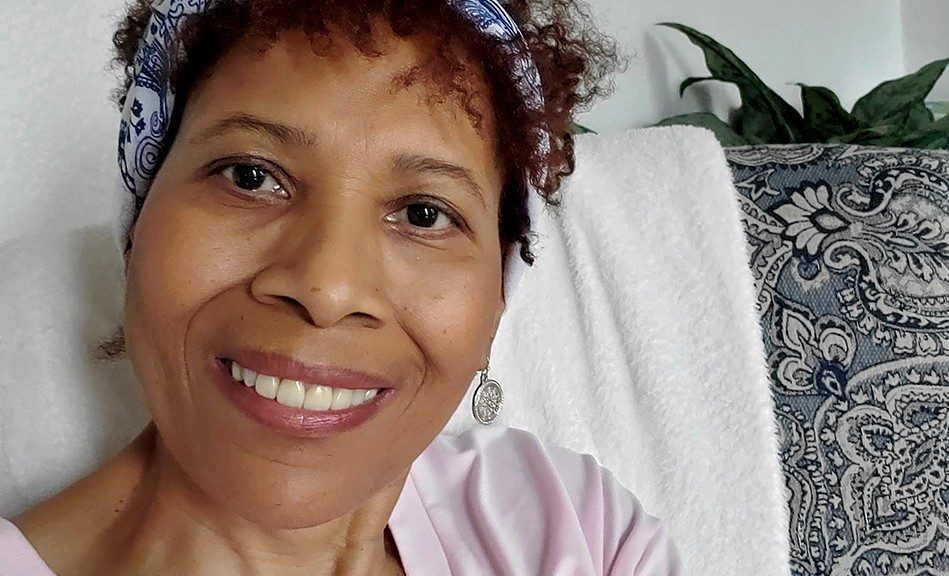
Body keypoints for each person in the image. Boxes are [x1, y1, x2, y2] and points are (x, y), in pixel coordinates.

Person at [1, 0, 681, 574]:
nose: (326, 288)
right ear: (137, 227)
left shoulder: (572, 531)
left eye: (423, 214)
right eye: (249, 176)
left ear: (498, 295)